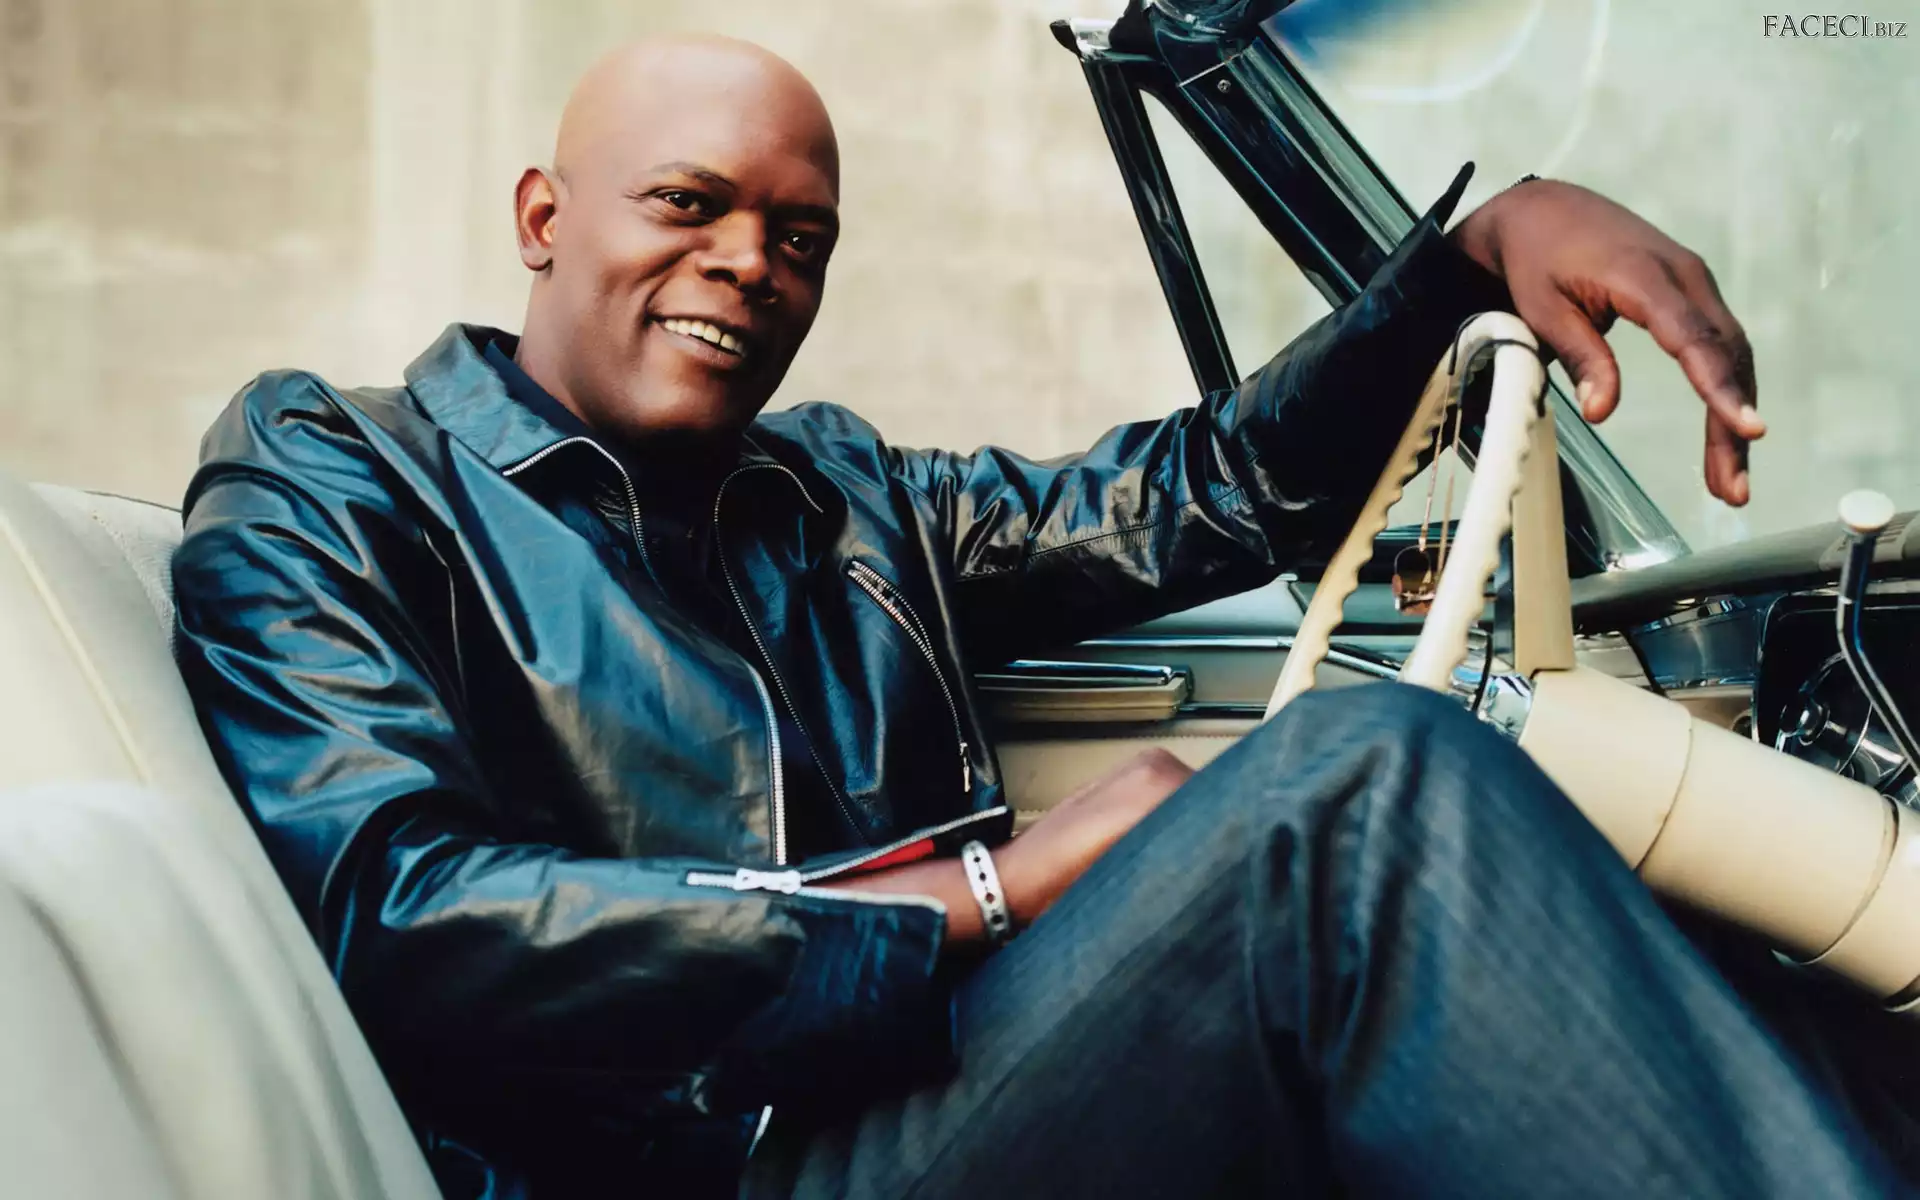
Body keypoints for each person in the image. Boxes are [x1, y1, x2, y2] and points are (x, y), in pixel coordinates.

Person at [169, 33, 1913, 1200]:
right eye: (689, 205)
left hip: (931, 1087)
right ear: (545, 220)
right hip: (706, 1163)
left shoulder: (834, 492)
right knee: (1356, 786)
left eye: (800, 237)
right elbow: (415, 915)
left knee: (1779, 990)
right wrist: (995, 890)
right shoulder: (339, 467)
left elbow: (1205, 491)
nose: (749, 264)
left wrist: (1470, 260)